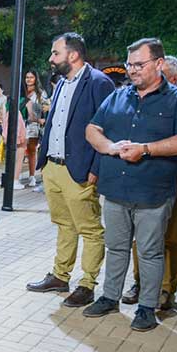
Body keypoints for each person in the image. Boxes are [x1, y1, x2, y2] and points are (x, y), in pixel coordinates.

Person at [84, 38, 177, 331]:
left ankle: (147, 307)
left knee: (150, 251)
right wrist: (110, 147)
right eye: (130, 65)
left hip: (153, 191)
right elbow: (92, 129)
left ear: (159, 64)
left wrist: (146, 149)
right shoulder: (117, 96)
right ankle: (110, 297)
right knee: (116, 247)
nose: (132, 70)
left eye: (139, 64)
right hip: (115, 190)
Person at [26, 33, 114, 307]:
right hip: (53, 166)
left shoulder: (99, 82)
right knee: (64, 225)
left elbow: (107, 128)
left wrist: (96, 167)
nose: (51, 59)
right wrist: (43, 163)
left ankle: (87, 284)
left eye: (55, 53)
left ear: (73, 55)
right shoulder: (62, 83)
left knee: (89, 229)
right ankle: (60, 276)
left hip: (79, 169)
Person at [123, 56, 177, 309]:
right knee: (141, 237)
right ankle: (140, 283)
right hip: (144, 178)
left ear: (172, 79)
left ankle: (165, 290)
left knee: (169, 237)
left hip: (174, 179)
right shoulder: (140, 103)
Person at [22, 70, 47, 187]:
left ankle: (32, 176)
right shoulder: (22, 92)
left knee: (32, 150)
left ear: (36, 79)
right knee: (21, 150)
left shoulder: (40, 93)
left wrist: (41, 118)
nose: (29, 79)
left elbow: (45, 107)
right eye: (27, 77)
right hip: (21, 123)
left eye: (31, 77)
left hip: (34, 125)